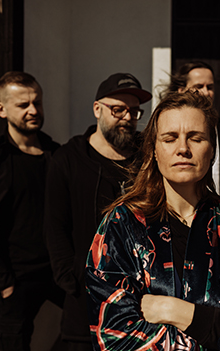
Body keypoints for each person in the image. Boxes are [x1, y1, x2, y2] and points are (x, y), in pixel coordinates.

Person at [86, 91, 220, 350]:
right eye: (170, 138)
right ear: (154, 150)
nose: (183, 149)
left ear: (212, 150)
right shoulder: (122, 225)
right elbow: (113, 337)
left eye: (196, 138)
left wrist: (176, 311)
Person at [44, 73, 152, 350]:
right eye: (118, 109)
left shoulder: (147, 159)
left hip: (141, 301)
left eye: (134, 111)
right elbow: (55, 226)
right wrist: (72, 278)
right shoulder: (68, 159)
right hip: (85, 300)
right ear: (97, 109)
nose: (127, 117)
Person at [0, 71, 64, 351]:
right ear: (1, 109)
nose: (33, 110)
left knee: (92, 328)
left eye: (37, 102)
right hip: (15, 281)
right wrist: (3, 285)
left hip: (57, 273)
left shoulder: (56, 155)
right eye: (23, 105)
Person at [162, 61, 220, 205]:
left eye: (210, 87)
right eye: (198, 86)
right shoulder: (164, 128)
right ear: (181, 90)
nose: (206, 92)